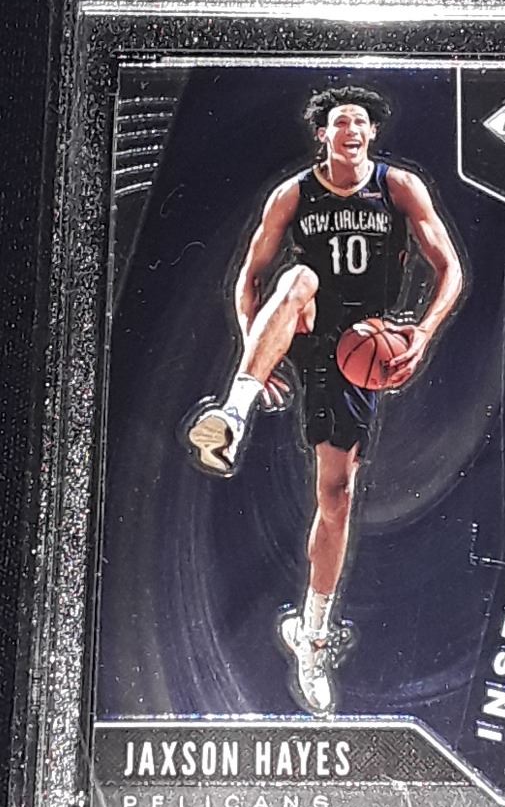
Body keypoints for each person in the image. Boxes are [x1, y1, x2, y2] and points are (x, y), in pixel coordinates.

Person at [184, 87, 464, 714]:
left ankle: (310, 635)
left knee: (335, 496)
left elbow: (450, 268)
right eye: (340, 122)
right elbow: (250, 278)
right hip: (308, 323)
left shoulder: (398, 188)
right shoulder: (294, 195)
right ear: (323, 135)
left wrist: (422, 332)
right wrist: (259, 353)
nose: (352, 130)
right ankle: (233, 412)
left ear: (371, 133)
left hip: (360, 343)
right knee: (298, 276)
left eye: (360, 122)